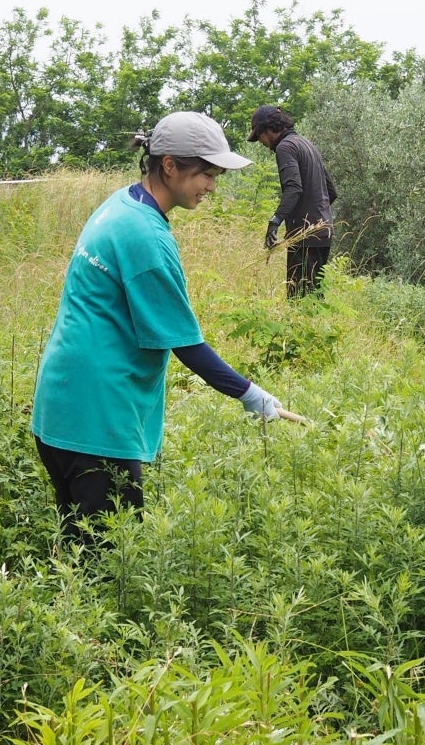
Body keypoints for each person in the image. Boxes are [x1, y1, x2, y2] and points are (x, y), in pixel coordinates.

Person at [31, 112, 299, 539]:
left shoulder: (121, 204)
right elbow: (186, 344)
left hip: (63, 402)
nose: (212, 186)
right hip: (97, 415)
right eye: (206, 174)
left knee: (81, 549)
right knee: (112, 559)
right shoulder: (145, 235)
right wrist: (251, 395)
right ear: (170, 164)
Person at [249, 105, 337, 298]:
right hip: (324, 232)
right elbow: (331, 192)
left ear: (269, 128)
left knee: (299, 299)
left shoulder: (285, 147)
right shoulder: (307, 144)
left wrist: (275, 222)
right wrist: (316, 215)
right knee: (314, 297)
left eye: (260, 136)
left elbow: (293, 188)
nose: (261, 142)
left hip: (305, 235)